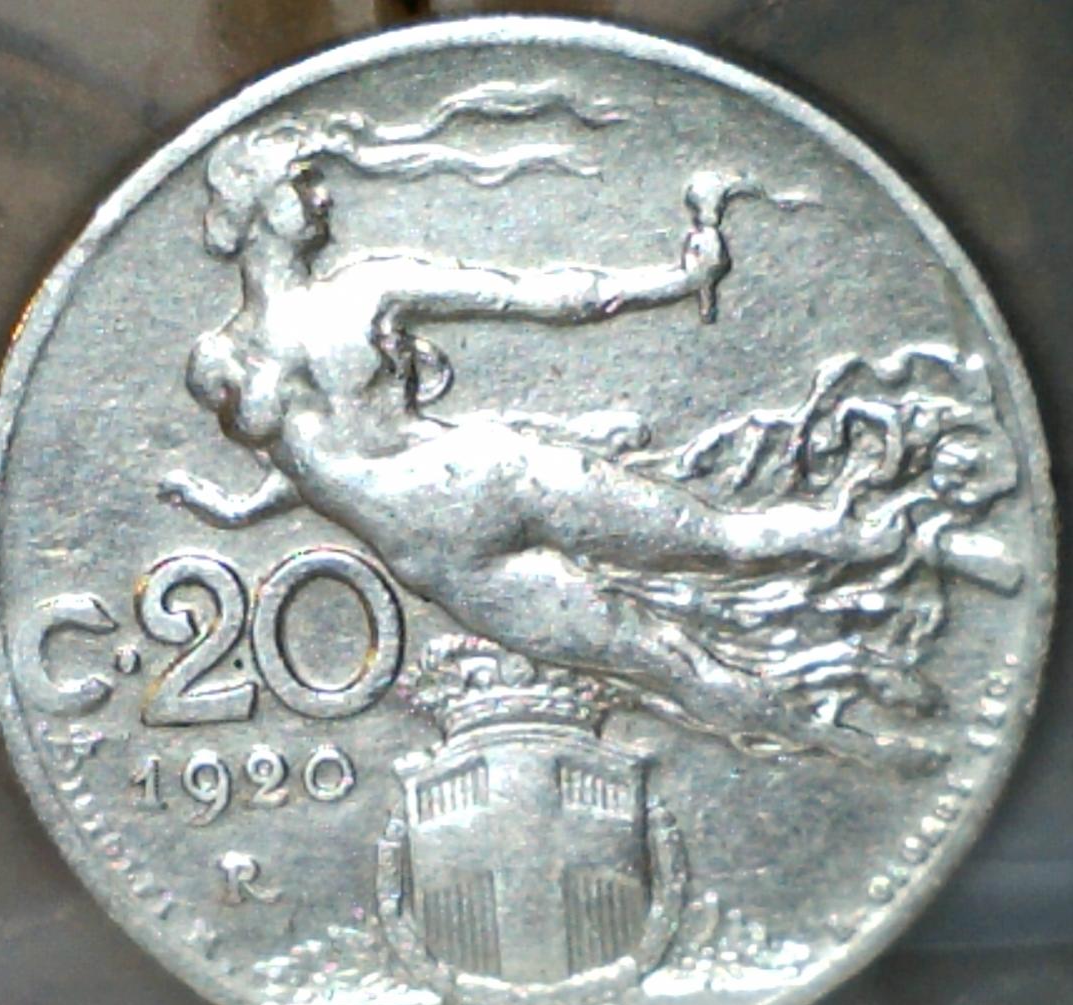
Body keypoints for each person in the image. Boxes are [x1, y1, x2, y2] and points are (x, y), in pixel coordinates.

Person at [160, 123, 945, 772]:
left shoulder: (367, 288)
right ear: (256, 206)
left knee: (722, 542)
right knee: (665, 657)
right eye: (301, 183)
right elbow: (311, 466)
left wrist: (674, 281)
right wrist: (236, 510)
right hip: (451, 552)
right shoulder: (220, 361)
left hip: (488, 477)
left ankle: (916, 545)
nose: (323, 196)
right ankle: (857, 747)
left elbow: (533, 297)